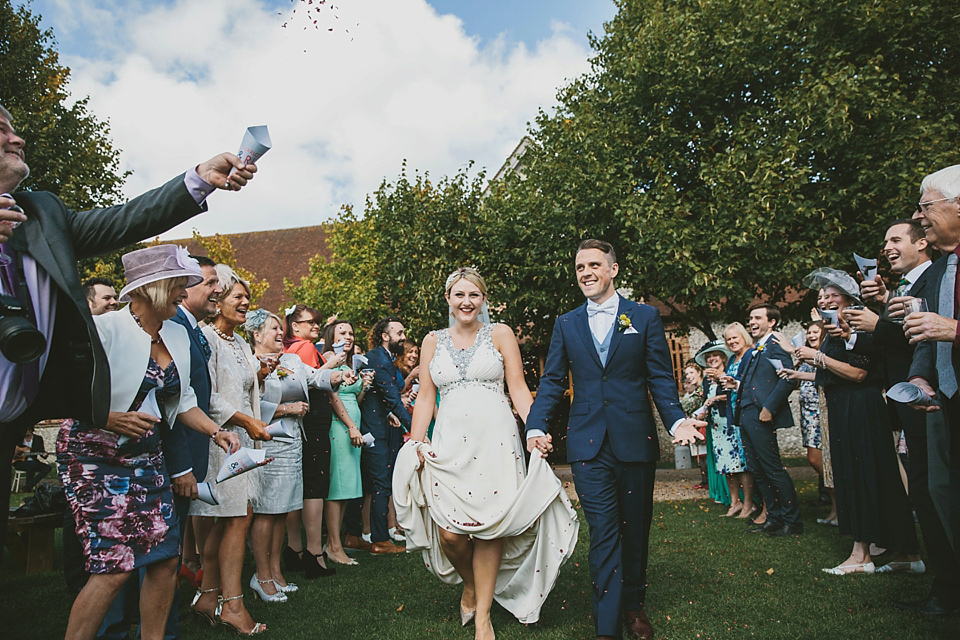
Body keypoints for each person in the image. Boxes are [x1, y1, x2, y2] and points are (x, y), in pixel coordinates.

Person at [0, 103, 257, 560]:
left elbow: (126, 219)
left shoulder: (41, 213)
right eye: (3, 130)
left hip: (14, 416)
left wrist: (197, 178)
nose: (18, 139)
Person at [56, 245, 242, 640]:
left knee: (163, 559)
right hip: (94, 458)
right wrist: (105, 417)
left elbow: (182, 398)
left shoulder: (176, 332)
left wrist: (215, 431)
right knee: (115, 567)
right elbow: (56, 391)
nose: (185, 290)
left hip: (147, 459)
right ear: (151, 287)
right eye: (179, 284)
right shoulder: (103, 330)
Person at [525, 240, 704, 640]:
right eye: (579, 267)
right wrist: (536, 426)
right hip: (588, 445)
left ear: (613, 269)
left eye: (593, 265)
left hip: (634, 440)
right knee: (604, 531)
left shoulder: (643, 316)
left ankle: (634, 604)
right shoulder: (567, 323)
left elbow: (659, 376)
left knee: (635, 528)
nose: (585, 272)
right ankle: (607, 628)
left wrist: (676, 423)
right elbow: (552, 381)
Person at [394, 267, 580, 640]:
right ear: (448, 299)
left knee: (490, 528)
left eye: (474, 295)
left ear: (483, 300)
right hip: (448, 445)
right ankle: (472, 584)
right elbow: (427, 397)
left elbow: (518, 388)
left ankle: (483, 618)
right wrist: (416, 442)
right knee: (450, 534)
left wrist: (536, 429)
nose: (467, 302)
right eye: (459, 295)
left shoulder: (500, 334)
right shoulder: (432, 340)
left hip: (496, 443)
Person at [798, 271, 921, 575]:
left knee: (861, 476)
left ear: (849, 299)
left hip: (860, 406)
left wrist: (817, 358)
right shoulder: (833, 329)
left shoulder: (857, 325)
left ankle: (861, 555)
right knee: (878, 476)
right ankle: (905, 553)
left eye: (832, 295)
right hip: (845, 406)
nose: (824, 300)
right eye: (821, 296)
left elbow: (860, 374)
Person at [189, 265, 271, 635]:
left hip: (243, 441)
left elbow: (246, 388)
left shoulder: (239, 342)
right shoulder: (204, 338)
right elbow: (205, 396)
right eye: (238, 296)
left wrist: (261, 381)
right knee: (236, 519)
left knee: (232, 519)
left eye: (247, 297)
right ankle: (233, 606)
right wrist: (244, 420)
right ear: (217, 298)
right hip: (218, 442)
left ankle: (208, 596)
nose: (245, 302)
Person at [248, 309, 347, 599]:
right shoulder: (249, 363)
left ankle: (276, 573)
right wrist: (284, 410)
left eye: (281, 328)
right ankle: (261, 576)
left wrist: (338, 373)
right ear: (256, 335)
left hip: (293, 444)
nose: (280, 333)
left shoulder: (291, 360)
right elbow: (246, 405)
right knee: (267, 511)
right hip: (266, 443)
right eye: (272, 329)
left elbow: (317, 378)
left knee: (282, 511)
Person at [902, 164, 960, 614]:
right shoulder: (943, 270)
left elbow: (946, 328)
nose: (919, 217)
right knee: (943, 498)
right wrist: (922, 376)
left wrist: (955, 329)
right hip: (943, 405)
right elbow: (928, 333)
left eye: (926, 206)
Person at [727, 303, 801, 538]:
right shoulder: (756, 348)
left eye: (758, 317)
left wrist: (769, 407)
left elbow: (788, 379)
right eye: (750, 318)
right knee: (756, 469)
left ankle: (792, 520)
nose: (752, 322)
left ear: (772, 322)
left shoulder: (776, 344)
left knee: (772, 468)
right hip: (747, 413)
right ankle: (774, 517)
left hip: (762, 414)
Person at [280, 303, 339, 576]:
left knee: (299, 485)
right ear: (294, 326)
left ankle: (294, 549)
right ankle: (314, 554)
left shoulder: (289, 349)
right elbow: (313, 381)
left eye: (318, 323)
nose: (316, 327)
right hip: (314, 421)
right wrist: (334, 365)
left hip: (303, 422)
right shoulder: (304, 348)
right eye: (310, 322)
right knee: (315, 485)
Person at [351, 316, 410, 554]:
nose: (403, 337)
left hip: (382, 425)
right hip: (373, 431)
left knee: (375, 483)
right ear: (385, 336)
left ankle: (356, 535)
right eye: (399, 333)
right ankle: (379, 539)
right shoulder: (377, 357)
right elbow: (392, 398)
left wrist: (389, 415)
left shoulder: (388, 358)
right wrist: (414, 427)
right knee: (380, 483)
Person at [319, 320, 371, 566]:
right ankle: (333, 546)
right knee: (337, 488)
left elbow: (354, 398)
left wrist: (364, 388)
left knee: (346, 488)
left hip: (353, 425)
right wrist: (350, 426)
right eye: (342, 332)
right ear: (331, 335)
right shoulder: (330, 358)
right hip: (339, 426)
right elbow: (333, 397)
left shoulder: (351, 362)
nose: (348, 337)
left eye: (351, 333)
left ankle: (334, 542)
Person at [777, 322, 836, 524]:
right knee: (820, 461)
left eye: (815, 332)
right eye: (809, 332)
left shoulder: (823, 355)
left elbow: (823, 375)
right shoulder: (806, 355)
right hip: (808, 413)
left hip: (821, 411)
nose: (811, 335)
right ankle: (836, 509)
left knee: (818, 460)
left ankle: (840, 501)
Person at [695, 339, 751, 516]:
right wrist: (704, 410)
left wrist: (715, 399)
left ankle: (749, 502)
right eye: (709, 357)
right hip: (717, 426)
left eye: (715, 355)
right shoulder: (707, 380)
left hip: (731, 423)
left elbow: (735, 394)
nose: (712, 359)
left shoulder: (729, 373)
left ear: (722, 357)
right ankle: (735, 502)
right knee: (725, 465)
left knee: (740, 464)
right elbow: (707, 400)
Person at [720, 323, 760, 521]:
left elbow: (749, 384)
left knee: (745, 461)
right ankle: (740, 502)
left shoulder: (750, 355)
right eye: (729, 339)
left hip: (748, 411)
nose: (732, 342)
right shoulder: (731, 360)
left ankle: (749, 503)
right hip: (734, 412)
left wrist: (732, 382)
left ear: (744, 336)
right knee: (735, 461)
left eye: (735, 337)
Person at [679, 361, 708, 490]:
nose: (689, 376)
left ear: (699, 373)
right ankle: (704, 480)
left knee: (704, 455)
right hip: (691, 424)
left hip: (701, 424)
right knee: (698, 456)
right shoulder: (689, 392)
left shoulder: (701, 391)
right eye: (686, 373)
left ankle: (707, 480)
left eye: (691, 372)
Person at [12, 425, 50, 490]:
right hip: (19, 462)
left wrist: (44, 455)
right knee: (31, 465)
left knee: (47, 468)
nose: (24, 433)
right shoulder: (19, 439)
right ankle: (28, 487)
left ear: (30, 430)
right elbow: (11, 449)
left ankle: (29, 485)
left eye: (26, 431)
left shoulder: (38, 439)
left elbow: (41, 451)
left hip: (34, 462)